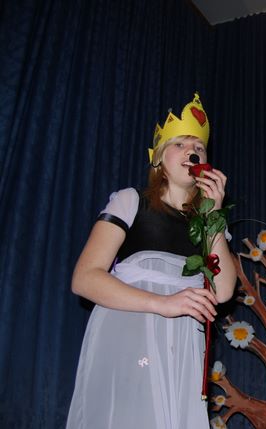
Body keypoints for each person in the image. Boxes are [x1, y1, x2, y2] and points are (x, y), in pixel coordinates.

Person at [66, 93, 236, 429]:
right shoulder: (131, 201)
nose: (192, 151)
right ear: (159, 158)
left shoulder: (208, 223)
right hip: (131, 335)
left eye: (199, 147)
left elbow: (224, 290)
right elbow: (84, 278)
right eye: (180, 144)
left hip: (180, 346)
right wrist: (164, 303)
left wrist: (214, 216)